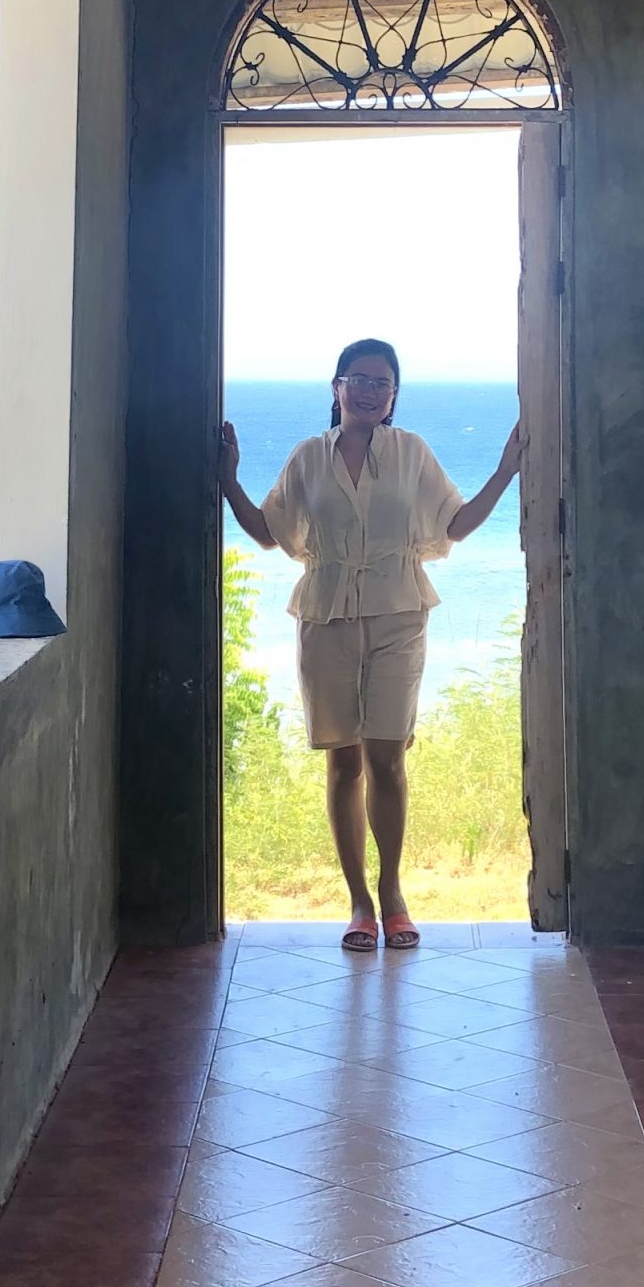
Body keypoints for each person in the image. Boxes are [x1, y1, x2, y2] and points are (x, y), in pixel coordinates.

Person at [218, 339, 522, 952]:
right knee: (343, 761)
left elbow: (454, 525)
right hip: (325, 614)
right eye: (358, 379)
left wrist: (506, 469)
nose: (369, 391)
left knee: (387, 756)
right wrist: (227, 479)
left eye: (382, 383)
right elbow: (271, 534)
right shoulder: (308, 457)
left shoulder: (412, 454)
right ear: (336, 388)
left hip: (399, 612)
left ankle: (392, 894)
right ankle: (358, 902)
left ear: (393, 396)